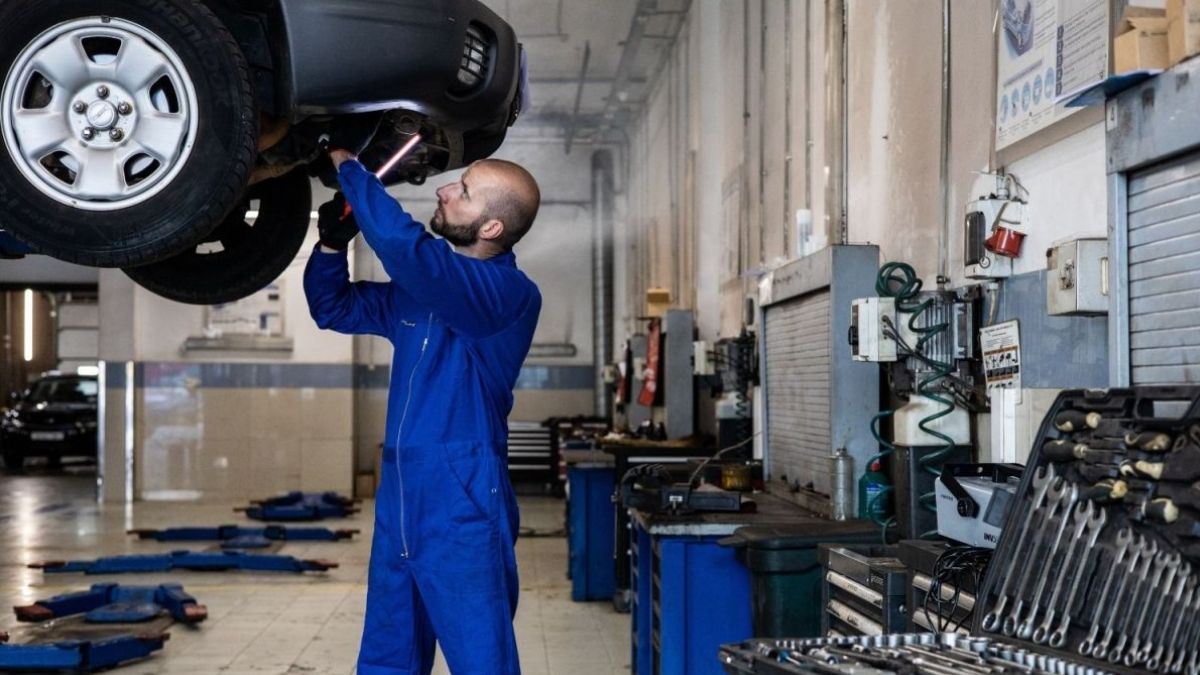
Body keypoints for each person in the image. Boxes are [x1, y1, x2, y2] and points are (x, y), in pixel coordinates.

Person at [303, 123, 542, 674]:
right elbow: (334, 309)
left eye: (462, 191)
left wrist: (348, 164)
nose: (443, 190)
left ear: (492, 225)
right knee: (390, 653)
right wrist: (329, 247)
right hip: (402, 497)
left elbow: (404, 248)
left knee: (480, 657)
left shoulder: (507, 295)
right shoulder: (422, 291)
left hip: (463, 501)